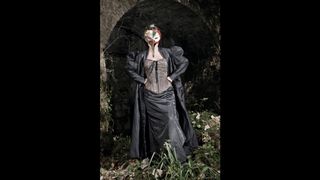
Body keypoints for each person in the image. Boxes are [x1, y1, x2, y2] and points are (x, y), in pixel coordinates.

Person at [125, 24, 198, 162]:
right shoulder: (141, 56)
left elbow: (184, 63)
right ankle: (159, 157)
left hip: (167, 95)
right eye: (148, 35)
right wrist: (143, 80)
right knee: (154, 129)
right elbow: (130, 69)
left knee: (171, 122)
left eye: (153, 34)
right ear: (146, 38)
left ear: (158, 36)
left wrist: (171, 77)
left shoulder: (168, 53)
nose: (151, 38)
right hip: (150, 96)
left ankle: (178, 159)